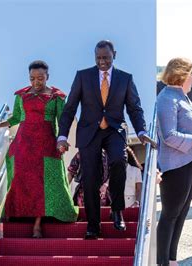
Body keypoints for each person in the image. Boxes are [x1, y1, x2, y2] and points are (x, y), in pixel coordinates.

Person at [57, 40, 147, 240]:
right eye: (98, 58)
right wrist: (62, 135)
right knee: (90, 178)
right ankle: (93, 225)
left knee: (118, 161)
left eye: (106, 57)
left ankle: (117, 210)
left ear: (114, 54)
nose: (102, 62)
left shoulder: (125, 78)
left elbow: (134, 108)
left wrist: (141, 131)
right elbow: (70, 107)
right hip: (89, 132)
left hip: (114, 130)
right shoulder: (83, 76)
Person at [0, 60, 78, 238]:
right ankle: (16, 215)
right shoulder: (21, 96)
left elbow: (63, 121)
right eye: (32, 78)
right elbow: (16, 118)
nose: (36, 82)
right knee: (21, 178)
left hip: (46, 145)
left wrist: (62, 141)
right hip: (23, 143)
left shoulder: (57, 97)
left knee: (43, 183)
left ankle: (38, 224)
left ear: (47, 77)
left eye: (40, 78)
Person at [156, 57, 192, 266]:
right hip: (176, 166)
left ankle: (171, 259)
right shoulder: (167, 98)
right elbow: (169, 136)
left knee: (179, 215)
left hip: (189, 163)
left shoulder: (182, 96)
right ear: (182, 74)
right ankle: (161, 261)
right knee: (170, 215)